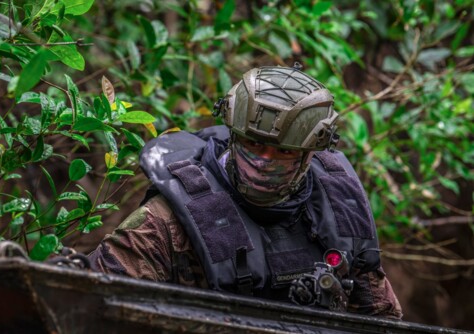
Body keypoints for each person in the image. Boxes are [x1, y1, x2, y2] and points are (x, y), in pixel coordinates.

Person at [87, 65, 403, 318]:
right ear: (235, 136)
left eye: (282, 152)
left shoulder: (339, 215)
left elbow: (381, 318)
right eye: (254, 144)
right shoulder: (164, 222)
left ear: (309, 154)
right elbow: (92, 308)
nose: (264, 161)